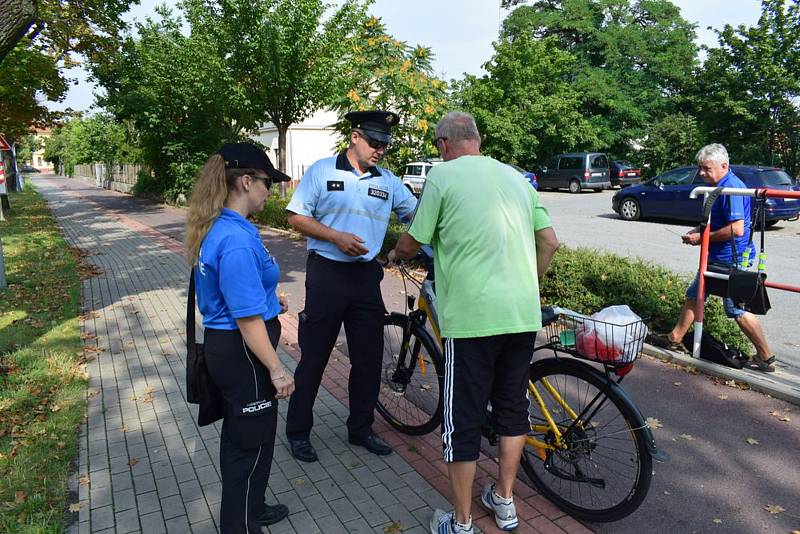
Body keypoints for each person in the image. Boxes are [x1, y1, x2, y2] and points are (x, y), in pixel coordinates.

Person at [388, 111, 560, 534]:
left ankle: (461, 523)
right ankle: (505, 502)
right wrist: (527, 284)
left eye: (437, 146)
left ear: (445, 144)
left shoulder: (442, 179)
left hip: (472, 321)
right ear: (478, 140)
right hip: (521, 316)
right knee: (511, 410)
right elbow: (550, 241)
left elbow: (414, 241)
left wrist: (393, 255)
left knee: (460, 418)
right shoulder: (517, 179)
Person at [284, 110, 417, 462]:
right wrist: (336, 237)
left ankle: (361, 429)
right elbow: (295, 216)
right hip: (326, 274)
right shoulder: (322, 170)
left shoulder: (387, 181)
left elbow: (417, 216)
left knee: (369, 360)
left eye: (386, 144)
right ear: (354, 137)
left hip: (365, 279)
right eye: (375, 142)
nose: (381, 150)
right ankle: (298, 432)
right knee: (314, 357)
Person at [185, 143, 295, 533]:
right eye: (268, 183)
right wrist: (278, 370)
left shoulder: (230, 227)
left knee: (256, 433)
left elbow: (242, 297)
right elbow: (246, 321)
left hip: (239, 348)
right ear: (246, 181)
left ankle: (254, 506)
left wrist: (270, 301)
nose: (272, 190)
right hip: (244, 352)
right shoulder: (232, 239)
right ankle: (239, 524)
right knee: (246, 442)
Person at [652, 143, 775, 372]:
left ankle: (766, 357)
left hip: (729, 259)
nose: (701, 173)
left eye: (706, 168)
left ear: (724, 166)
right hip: (717, 257)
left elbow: (737, 229)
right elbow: (717, 223)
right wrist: (698, 233)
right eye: (700, 168)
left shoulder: (732, 189)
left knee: (736, 309)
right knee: (694, 295)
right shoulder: (721, 185)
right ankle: (674, 338)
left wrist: (702, 238)